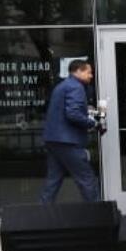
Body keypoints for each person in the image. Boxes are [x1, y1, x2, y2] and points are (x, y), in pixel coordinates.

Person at [40, 59, 101, 204]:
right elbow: (73, 113)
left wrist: (86, 111)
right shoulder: (76, 87)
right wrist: (92, 123)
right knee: (87, 179)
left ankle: (40, 216)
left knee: (53, 182)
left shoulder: (62, 86)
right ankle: (97, 216)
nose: (91, 75)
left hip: (54, 140)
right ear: (78, 71)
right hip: (69, 141)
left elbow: (66, 110)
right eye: (89, 72)